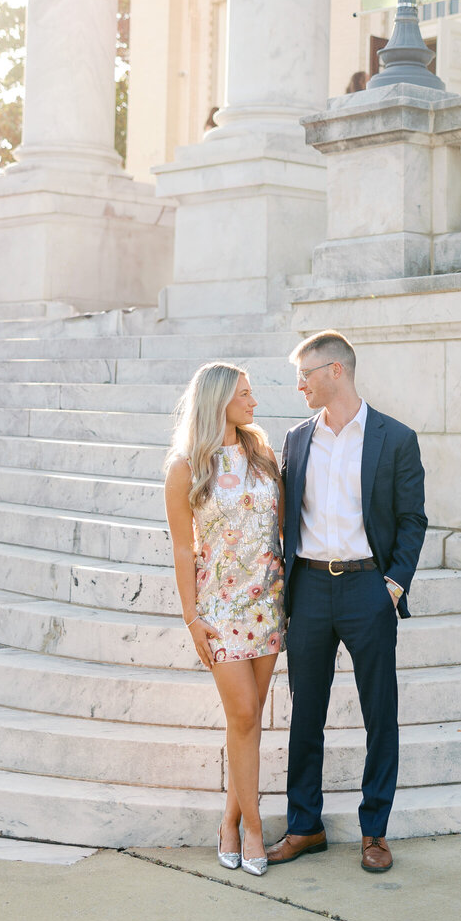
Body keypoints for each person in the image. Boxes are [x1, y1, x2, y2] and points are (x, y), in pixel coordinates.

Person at [266, 330, 427, 874]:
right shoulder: (295, 439)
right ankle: (304, 826)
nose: (299, 386)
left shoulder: (396, 438)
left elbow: (412, 521)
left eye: (305, 375)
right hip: (308, 589)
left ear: (335, 370)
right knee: (304, 713)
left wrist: (393, 585)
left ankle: (374, 831)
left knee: (380, 713)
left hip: (367, 589)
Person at [164, 362, 285, 877]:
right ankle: (253, 829)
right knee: (242, 715)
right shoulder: (186, 467)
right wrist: (193, 619)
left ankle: (229, 822)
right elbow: (182, 549)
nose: (254, 403)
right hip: (220, 612)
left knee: (249, 719)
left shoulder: (261, 453)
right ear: (218, 401)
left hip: (268, 605)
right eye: (244, 394)